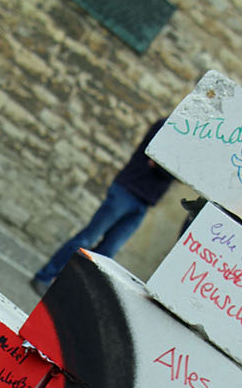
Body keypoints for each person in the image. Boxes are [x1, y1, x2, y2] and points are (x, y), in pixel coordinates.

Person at [31, 118, 172, 295]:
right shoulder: (167, 126)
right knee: (87, 239)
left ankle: (66, 290)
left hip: (145, 202)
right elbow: (157, 160)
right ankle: (45, 276)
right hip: (126, 190)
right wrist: (168, 170)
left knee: (105, 255)